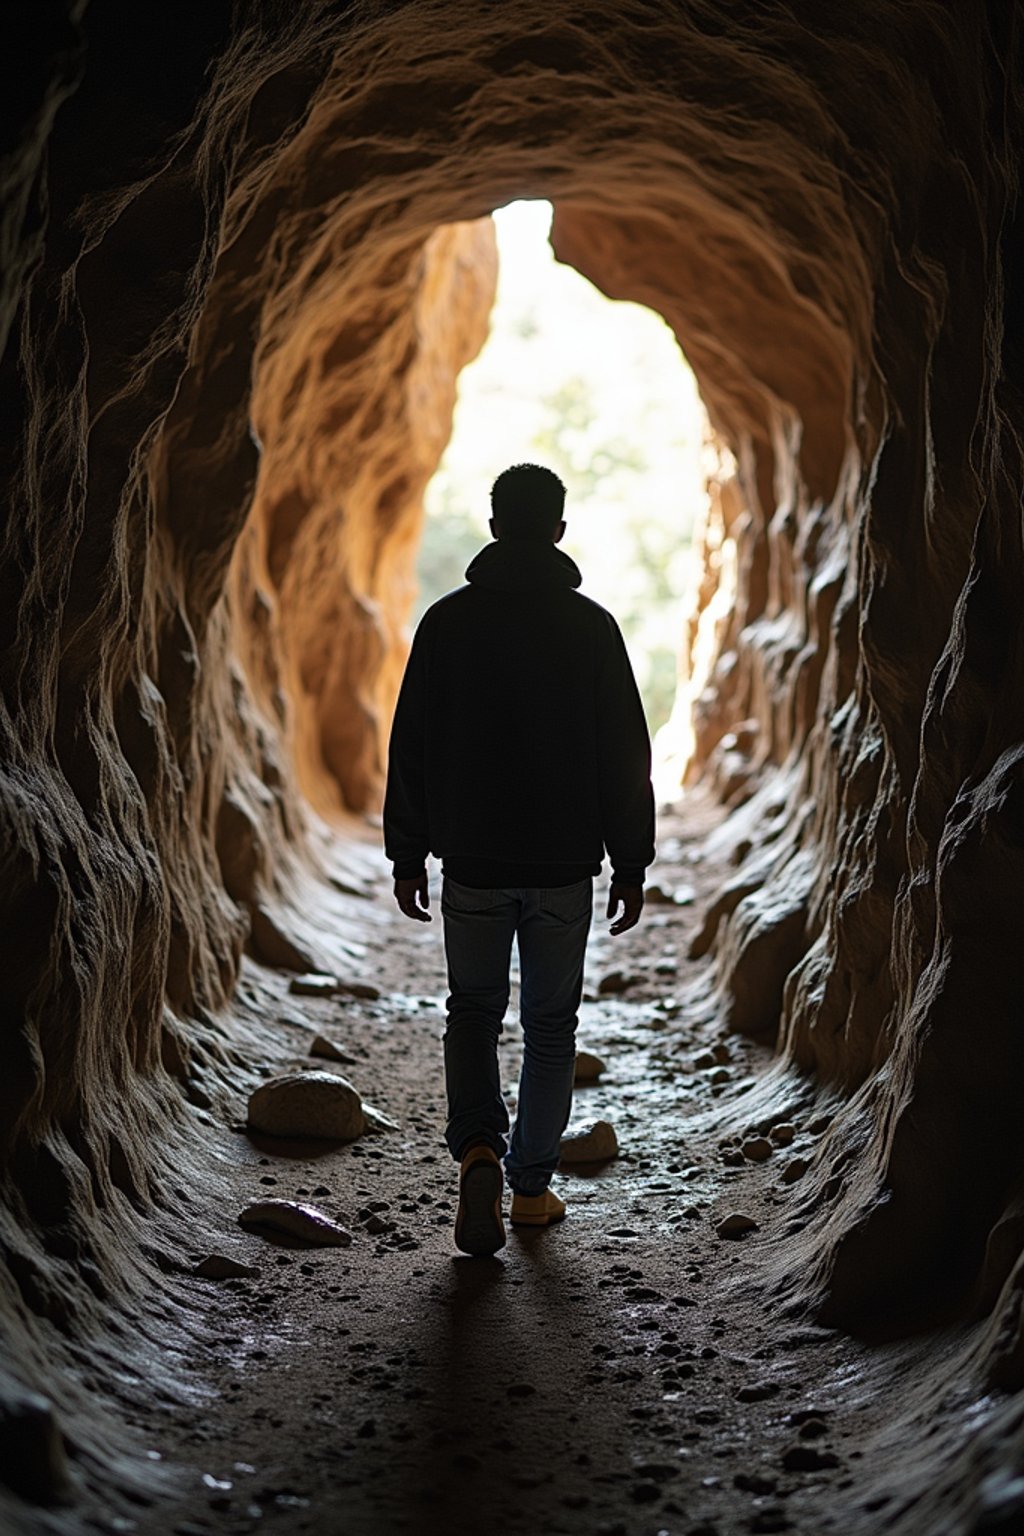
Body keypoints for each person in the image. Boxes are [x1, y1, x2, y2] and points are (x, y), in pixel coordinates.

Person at [384, 462, 655, 1256]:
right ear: (559, 530)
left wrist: (408, 852)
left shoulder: (446, 622)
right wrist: (631, 862)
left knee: (471, 1011)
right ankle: (530, 1192)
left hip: (470, 860)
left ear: (495, 524)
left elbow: (413, 748)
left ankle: (476, 1148)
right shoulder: (593, 626)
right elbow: (623, 756)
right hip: (564, 865)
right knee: (550, 1025)